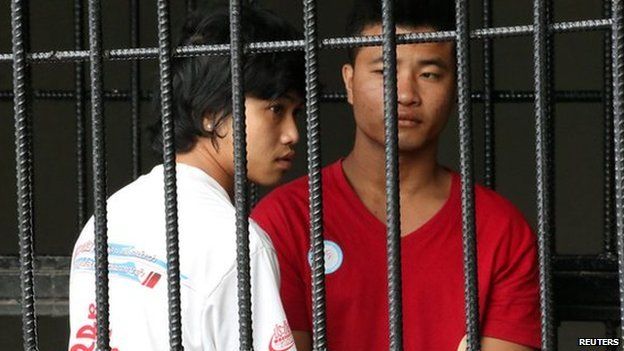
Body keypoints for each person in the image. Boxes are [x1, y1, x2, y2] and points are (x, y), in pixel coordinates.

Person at [251, 0, 541, 350]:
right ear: (349, 82)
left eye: (429, 74)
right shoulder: (285, 220)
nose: (405, 94)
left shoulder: (500, 230)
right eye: (385, 71)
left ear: (454, 87)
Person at [68, 4, 303, 351]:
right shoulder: (239, 243)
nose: (293, 134)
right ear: (210, 114)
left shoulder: (106, 219)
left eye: (296, 113)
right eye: (276, 109)